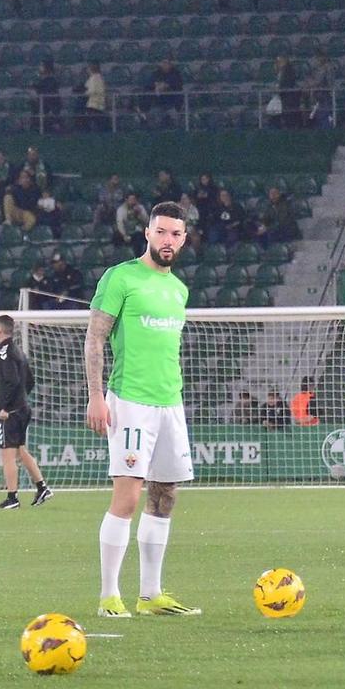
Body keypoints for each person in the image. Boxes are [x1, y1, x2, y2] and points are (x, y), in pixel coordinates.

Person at [86, 202, 199, 618]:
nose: (168, 240)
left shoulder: (179, 289)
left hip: (170, 402)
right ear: (147, 233)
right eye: (161, 232)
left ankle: (150, 594)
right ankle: (108, 595)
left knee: (165, 494)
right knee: (128, 496)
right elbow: (95, 339)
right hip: (129, 400)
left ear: (183, 239)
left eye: (176, 234)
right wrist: (96, 396)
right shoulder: (120, 277)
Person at [0, 313, 51, 511]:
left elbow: (12, 380)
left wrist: (5, 407)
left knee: (7, 454)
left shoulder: (5, 351)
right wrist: (21, 400)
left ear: (0, 330)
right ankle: (42, 487)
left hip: (13, 411)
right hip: (23, 408)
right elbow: (29, 381)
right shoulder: (18, 350)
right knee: (21, 451)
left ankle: (12, 497)